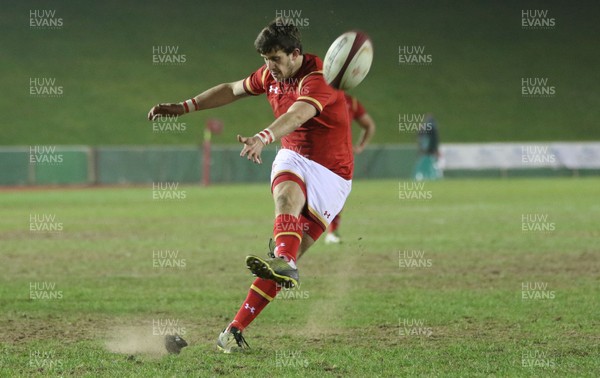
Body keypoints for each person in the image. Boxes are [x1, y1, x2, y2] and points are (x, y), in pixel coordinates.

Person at [147, 18, 354, 353]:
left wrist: (263, 136)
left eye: (275, 59)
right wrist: (185, 107)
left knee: (283, 266)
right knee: (285, 196)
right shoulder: (270, 75)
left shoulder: (320, 78)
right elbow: (231, 89)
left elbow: (300, 113)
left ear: (295, 54)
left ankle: (233, 330)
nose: (268, 67)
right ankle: (284, 259)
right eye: (265, 60)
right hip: (293, 156)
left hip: (333, 174)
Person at [324, 94, 376, 244]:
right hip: (314, 154)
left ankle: (332, 231)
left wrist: (360, 146)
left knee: (336, 195)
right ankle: (293, 232)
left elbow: (369, 125)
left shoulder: (351, 102)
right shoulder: (315, 93)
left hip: (340, 157)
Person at [413, 114, 443, 181]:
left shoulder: (423, 128)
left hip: (424, 151)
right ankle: (430, 177)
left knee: (423, 165)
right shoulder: (433, 129)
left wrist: (421, 149)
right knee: (430, 165)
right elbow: (435, 140)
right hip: (430, 151)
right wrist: (435, 150)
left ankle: (419, 177)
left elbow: (419, 138)